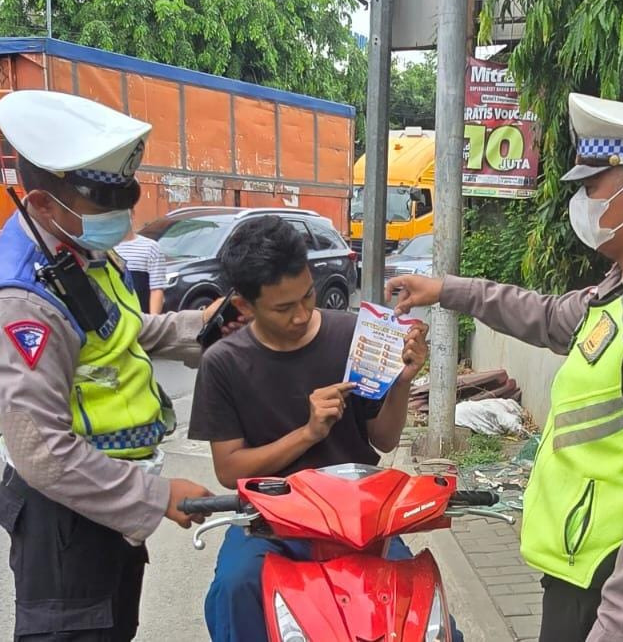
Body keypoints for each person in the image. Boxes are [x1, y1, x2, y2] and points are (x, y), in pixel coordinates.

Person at [387, 93, 623, 642]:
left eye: (592, 187)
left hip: (613, 591)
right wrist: (445, 290)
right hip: (583, 575)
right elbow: (550, 316)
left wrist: (620, 628)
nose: (582, 201)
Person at [0, 90, 240, 642]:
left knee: (114, 631)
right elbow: (42, 451)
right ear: (44, 204)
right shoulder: (21, 302)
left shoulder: (77, 251)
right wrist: (157, 497)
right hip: (68, 514)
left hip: (107, 500)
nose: (123, 217)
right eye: (105, 204)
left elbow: (119, 332)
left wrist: (203, 326)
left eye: (125, 198)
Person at [187, 215, 441, 642]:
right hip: (270, 525)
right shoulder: (224, 363)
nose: (302, 314)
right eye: (284, 308)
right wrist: (307, 433)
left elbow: (384, 438)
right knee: (235, 587)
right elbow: (229, 471)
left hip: (360, 523)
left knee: (422, 611)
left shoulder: (354, 335)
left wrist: (402, 382)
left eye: (308, 295)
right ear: (246, 306)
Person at [114, 229, 167, 314]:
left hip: (143, 318)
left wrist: (153, 321)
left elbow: (157, 289)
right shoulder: (104, 249)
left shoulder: (151, 247)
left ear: (132, 215)